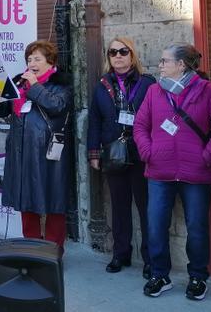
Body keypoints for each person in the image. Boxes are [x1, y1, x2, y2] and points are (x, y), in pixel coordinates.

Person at [133, 43, 211, 301]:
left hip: (196, 174)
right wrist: (148, 153)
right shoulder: (155, 91)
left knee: (197, 228)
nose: (161, 65)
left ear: (182, 65)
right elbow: (140, 126)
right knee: (155, 226)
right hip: (159, 172)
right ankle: (160, 275)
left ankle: (198, 277)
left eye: (166, 61)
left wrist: (207, 156)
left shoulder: (209, 91)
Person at [0, 40, 73, 253]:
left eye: (37, 59)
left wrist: (35, 86)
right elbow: (4, 112)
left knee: (54, 200)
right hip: (21, 151)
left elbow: (57, 106)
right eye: (29, 59)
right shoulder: (17, 83)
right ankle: (32, 248)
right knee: (26, 200)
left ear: (49, 62)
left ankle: (53, 250)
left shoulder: (61, 83)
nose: (31, 63)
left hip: (48, 152)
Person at [87, 37, 156, 276]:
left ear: (132, 54)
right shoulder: (102, 85)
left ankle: (151, 259)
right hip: (113, 152)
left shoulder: (148, 84)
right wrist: (94, 153)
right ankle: (121, 254)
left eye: (123, 51)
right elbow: (94, 121)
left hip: (141, 153)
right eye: (113, 52)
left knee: (146, 208)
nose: (118, 56)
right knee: (118, 207)